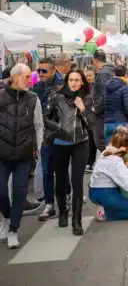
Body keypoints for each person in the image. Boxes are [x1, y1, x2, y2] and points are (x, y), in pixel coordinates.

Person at [0, 64, 45, 249]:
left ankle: (13, 229)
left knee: (19, 193)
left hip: (24, 155)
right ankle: (8, 217)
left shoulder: (33, 99)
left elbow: (39, 125)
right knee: (1, 192)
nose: (30, 80)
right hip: (1, 153)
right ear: (15, 77)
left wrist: (37, 149)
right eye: (27, 77)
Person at [42, 69, 91, 236]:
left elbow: (93, 125)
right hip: (60, 143)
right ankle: (62, 211)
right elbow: (45, 118)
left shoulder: (87, 98)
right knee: (60, 180)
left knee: (77, 181)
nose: (74, 83)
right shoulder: (56, 97)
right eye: (71, 80)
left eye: (77, 80)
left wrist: (83, 109)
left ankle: (76, 221)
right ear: (67, 81)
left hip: (81, 143)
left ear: (82, 82)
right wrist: (59, 128)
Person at [88, 127, 128, 221]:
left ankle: (107, 208)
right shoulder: (116, 160)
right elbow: (127, 183)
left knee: (127, 202)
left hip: (93, 191)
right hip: (106, 193)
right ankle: (106, 214)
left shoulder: (106, 152)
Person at [33, 57, 63, 219]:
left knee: (62, 170)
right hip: (45, 136)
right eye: (39, 70)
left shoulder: (62, 86)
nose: (41, 74)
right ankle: (50, 204)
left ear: (53, 70)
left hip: (61, 135)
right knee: (46, 171)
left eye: (44, 71)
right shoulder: (37, 87)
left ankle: (66, 196)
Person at [104, 65, 128, 145]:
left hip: (107, 124)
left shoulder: (107, 86)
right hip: (121, 123)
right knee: (123, 151)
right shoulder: (124, 88)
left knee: (111, 151)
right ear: (125, 74)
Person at [91, 50, 116, 152]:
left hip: (103, 114)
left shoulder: (104, 73)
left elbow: (105, 93)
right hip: (108, 113)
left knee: (101, 142)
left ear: (95, 60)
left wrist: (96, 109)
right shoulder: (110, 71)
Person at [83, 65, 99, 172]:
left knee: (93, 141)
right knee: (88, 141)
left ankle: (91, 162)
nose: (88, 77)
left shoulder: (97, 87)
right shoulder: (83, 86)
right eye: (86, 75)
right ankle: (88, 162)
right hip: (85, 118)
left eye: (90, 75)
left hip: (95, 118)